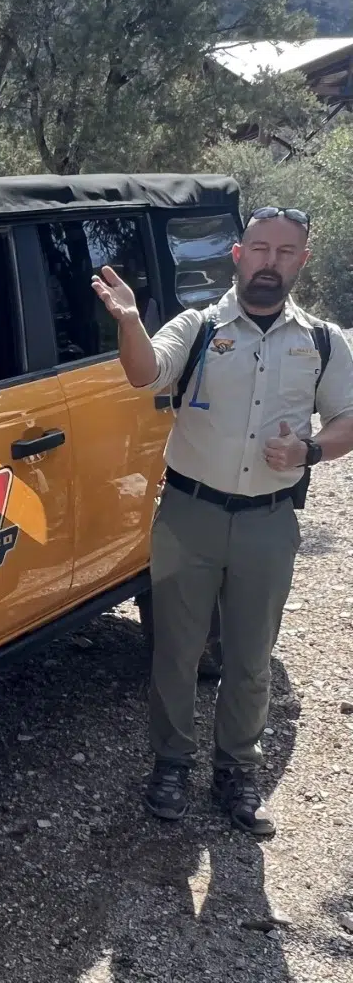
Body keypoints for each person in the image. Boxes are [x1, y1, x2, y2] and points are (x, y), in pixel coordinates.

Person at [92, 205, 353, 838]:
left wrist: (311, 451)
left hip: (269, 521)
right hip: (189, 515)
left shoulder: (321, 340)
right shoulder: (199, 326)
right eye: (259, 248)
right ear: (237, 255)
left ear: (302, 261)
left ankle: (237, 771)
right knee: (176, 652)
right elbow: (144, 373)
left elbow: (348, 418)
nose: (270, 262)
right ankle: (171, 765)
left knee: (251, 656)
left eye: (285, 252)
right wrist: (129, 322)